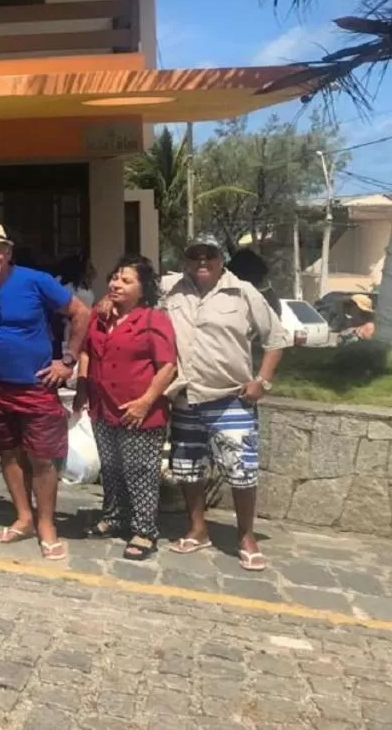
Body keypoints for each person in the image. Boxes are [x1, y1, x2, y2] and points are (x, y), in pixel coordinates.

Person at [0, 222, 91, 560]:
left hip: (38, 385)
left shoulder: (35, 280)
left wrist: (67, 360)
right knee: (9, 453)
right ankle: (24, 517)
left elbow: (80, 312)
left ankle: (46, 524)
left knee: (43, 457)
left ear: (9, 252)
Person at [162, 235, 288, 570]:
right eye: (194, 255)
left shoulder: (244, 292)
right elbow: (137, 284)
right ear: (185, 259)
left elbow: (276, 338)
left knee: (241, 472)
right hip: (187, 396)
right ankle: (197, 528)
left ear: (222, 259)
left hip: (231, 398)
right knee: (189, 470)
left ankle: (246, 536)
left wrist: (262, 381)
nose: (202, 261)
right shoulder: (172, 290)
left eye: (210, 255)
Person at [72, 256, 177, 560]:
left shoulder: (153, 320)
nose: (116, 284)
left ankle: (144, 530)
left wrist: (145, 402)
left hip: (139, 410)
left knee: (140, 470)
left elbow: (168, 366)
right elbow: (88, 353)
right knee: (112, 468)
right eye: (115, 278)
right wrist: (83, 388)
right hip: (103, 406)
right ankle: (114, 516)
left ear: (142, 289)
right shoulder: (100, 315)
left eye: (126, 280)